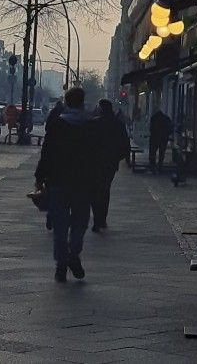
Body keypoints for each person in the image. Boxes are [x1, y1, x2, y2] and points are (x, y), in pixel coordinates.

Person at [35, 87, 99, 281]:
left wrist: (40, 176)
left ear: (67, 102)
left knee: (60, 225)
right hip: (82, 182)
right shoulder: (91, 126)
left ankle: (61, 264)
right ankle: (74, 253)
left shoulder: (57, 124)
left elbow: (47, 153)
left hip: (58, 181)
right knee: (80, 221)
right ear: (82, 102)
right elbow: (98, 156)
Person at [89, 99, 128, 232]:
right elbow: (125, 146)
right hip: (110, 163)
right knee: (105, 190)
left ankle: (96, 218)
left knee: (95, 191)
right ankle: (102, 218)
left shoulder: (94, 124)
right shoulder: (118, 124)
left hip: (94, 162)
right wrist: (117, 158)